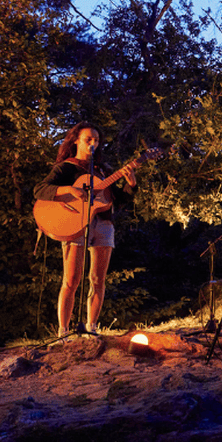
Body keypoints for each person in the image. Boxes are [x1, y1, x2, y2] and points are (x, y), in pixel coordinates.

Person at [34, 123, 136, 336]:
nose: (93, 144)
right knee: (71, 279)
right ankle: (63, 332)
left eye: (96, 141)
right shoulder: (67, 168)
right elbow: (40, 189)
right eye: (88, 139)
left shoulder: (103, 170)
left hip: (103, 224)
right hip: (75, 221)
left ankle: (92, 328)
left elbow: (120, 199)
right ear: (76, 141)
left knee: (98, 279)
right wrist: (68, 190)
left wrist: (131, 184)